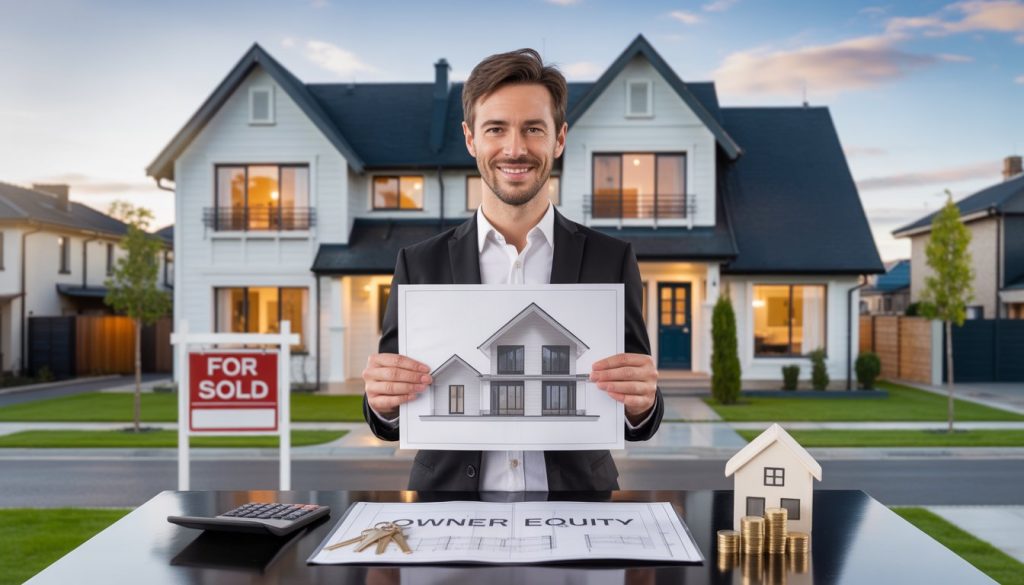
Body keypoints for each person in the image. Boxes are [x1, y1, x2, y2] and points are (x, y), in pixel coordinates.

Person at [362, 48, 663, 491]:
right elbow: (390, 417)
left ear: (559, 138)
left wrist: (642, 404)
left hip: (579, 510)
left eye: (533, 129)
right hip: (450, 510)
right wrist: (383, 401)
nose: (515, 148)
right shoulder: (419, 263)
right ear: (471, 139)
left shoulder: (611, 259)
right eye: (496, 129)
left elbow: (637, 410)